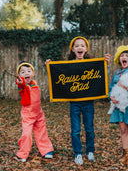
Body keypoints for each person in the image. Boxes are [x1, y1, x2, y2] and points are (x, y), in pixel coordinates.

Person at [45, 36, 111, 165]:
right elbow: (57, 77)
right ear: (73, 49)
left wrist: (106, 65)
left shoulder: (92, 64)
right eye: (76, 46)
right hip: (74, 102)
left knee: (89, 128)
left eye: (82, 45)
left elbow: (101, 76)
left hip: (88, 102)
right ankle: (78, 153)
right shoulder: (68, 66)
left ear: (86, 49)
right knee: (75, 130)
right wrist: (50, 67)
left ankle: (90, 151)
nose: (79, 47)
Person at [15, 61, 54, 162]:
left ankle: (46, 150)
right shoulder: (22, 86)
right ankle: (23, 153)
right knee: (26, 134)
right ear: (19, 76)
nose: (26, 73)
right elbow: (20, 84)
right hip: (28, 114)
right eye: (23, 72)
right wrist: (19, 81)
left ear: (33, 73)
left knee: (42, 131)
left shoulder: (35, 83)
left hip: (39, 113)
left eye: (28, 71)